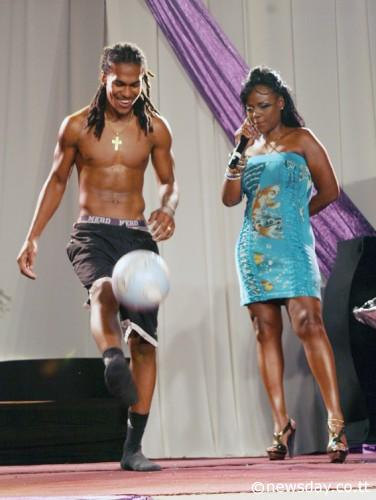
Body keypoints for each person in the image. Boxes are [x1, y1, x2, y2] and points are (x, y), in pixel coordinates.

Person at [17, 42, 178, 472]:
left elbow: (168, 182)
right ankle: (111, 360)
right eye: (118, 84)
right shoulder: (76, 127)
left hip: (138, 236)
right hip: (92, 232)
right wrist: (33, 237)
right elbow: (55, 182)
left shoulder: (156, 128)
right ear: (103, 78)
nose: (126, 92)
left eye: (134, 84)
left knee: (145, 345)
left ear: (143, 80)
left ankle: (133, 447)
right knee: (103, 289)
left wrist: (167, 208)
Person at [222, 66, 348, 463]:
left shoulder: (302, 140)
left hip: (292, 248)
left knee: (309, 322)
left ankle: (336, 422)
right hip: (253, 249)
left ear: (280, 103)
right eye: (249, 108)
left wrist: (297, 217)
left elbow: (330, 190)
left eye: (262, 105)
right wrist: (238, 151)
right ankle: (281, 425)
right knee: (265, 331)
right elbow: (229, 199)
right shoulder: (249, 150)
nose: (255, 114)